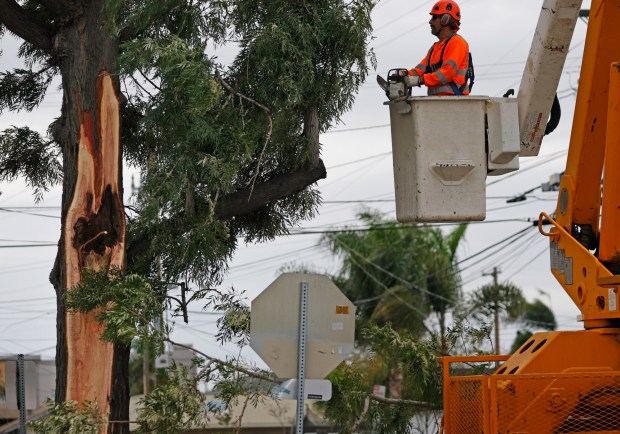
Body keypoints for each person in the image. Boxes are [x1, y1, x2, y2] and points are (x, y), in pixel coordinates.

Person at [404, 0, 473, 96]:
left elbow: (446, 74)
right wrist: (403, 75)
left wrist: (420, 80)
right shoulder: (435, 48)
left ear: (445, 19)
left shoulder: (457, 43)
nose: (430, 21)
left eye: (434, 17)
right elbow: (420, 70)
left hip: (455, 102)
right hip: (438, 103)